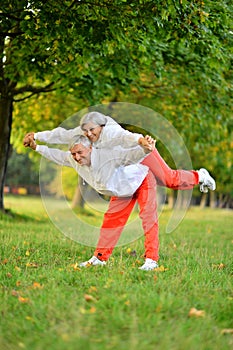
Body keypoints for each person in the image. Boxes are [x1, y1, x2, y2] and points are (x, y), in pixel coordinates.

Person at [25, 135, 159, 271]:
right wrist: (36, 147)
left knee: (148, 217)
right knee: (110, 221)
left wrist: (146, 148)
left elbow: (130, 154)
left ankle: (151, 260)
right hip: (122, 189)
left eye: (80, 152)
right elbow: (57, 155)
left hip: (142, 180)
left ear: (90, 148)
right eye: (73, 153)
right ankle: (100, 258)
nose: (77, 157)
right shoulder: (74, 160)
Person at [24, 111, 216, 193]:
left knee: (169, 180)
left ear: (101, 126)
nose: (89, 134)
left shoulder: (111, 131)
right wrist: (37, 136)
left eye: (93, 130)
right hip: (124, 166)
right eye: (86, 131)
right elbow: (61, 135)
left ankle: (199, 176)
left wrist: (142, 142)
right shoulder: (83, 132)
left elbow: (128, 137)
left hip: (139, 152)